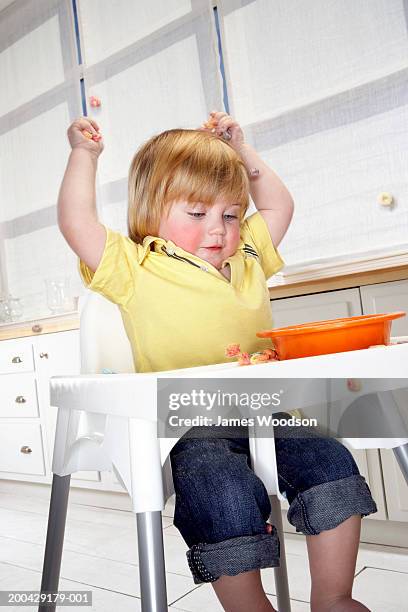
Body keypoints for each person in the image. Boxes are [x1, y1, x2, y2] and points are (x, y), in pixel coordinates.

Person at [58, 111, 377, 611]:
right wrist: (84, 155)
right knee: (219, 490)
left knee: (329, 460)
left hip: (265, 413)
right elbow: (76, 222)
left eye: (230, 214)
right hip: (190, 422)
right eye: (197, 213)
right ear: (152, 210)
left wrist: (242, 151)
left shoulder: (247, 256)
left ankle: (334, 596)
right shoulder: (136, 265)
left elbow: (278, 204)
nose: (219, 229)